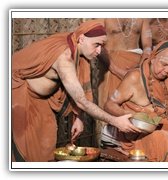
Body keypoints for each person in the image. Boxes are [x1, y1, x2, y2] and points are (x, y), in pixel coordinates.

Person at [12, 19, 140, 162]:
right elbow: (82, 101)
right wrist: (115, 121)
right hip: (20, 96)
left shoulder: (76, 44)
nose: (99, 51)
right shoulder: (65, 58)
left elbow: (77, 90)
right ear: (81, 39)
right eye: (96, 45)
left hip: (42, 102)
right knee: (23, 151)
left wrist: (79, 118)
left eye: (102, 46)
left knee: (45, 147)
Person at [98, 18, 152, 109]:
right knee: (110, 108)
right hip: (110, 67)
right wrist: (115, 69)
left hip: (136, 67)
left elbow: (147, 46)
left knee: (136, 110)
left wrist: (140, 68)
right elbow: (98, 45)